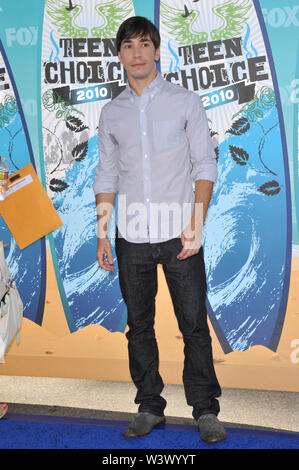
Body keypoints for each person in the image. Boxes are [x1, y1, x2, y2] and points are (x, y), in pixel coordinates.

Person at [93, 16, 226, 443]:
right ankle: (150, 405)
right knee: (139, 327)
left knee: (193, 326)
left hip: (181, 236)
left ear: (156, 50)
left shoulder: (185, 102)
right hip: (130, 239)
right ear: (120, 55)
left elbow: (205, 165)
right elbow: (105, 176)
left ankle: (205, 410)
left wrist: (196, 224)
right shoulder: (111, 112)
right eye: (128, 46)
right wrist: (101, 233)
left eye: (144, 44)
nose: (137, 53)